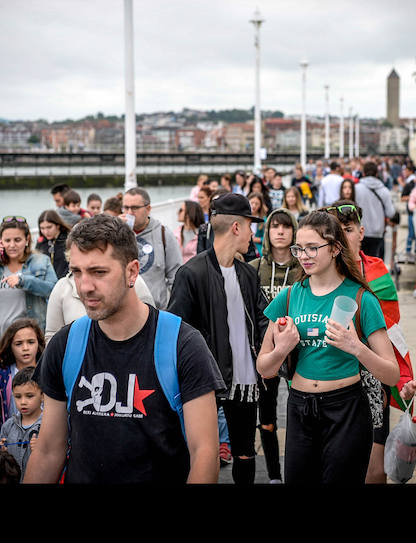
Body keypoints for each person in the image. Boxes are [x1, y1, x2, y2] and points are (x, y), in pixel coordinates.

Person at [24, 215, 225, 484]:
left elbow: (205, 453)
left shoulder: (182, 345)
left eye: (99, 272)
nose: (84, 286)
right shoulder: (66, 344)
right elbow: (49, 450)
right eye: (76, 271)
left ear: (132, 271)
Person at [256, 209, 399, 484]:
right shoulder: (288, 297)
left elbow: (391, 374)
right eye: (299, 248)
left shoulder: (362, 298)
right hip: (299, 408)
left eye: (313, 248)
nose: (304, 256)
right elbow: (264, 368)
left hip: (346, 409)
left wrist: (356, 347)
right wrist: (281, 349)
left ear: (334, 249)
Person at [167, 192, 270, 485]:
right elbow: (178, 330)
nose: (253, 233)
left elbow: (262, 320)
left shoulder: (248, 275)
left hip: (246, 381)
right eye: (251, 225)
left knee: (245, 455)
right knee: (205, 454)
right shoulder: (191, 273)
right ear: (236, 227)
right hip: (207, 382)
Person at [324, 200, 416, 484]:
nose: (343, 235)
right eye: (336, 230)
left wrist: (402, 381)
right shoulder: (318, 273)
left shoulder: (379, 274)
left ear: (361, 233)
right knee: (332, 462)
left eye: (349, 229)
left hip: (373, 380)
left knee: (375, 470)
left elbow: (393, 335)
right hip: (330, 378)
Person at [248, 208, 303, 484]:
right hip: (266, 351)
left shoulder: (304, 270)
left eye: (286, 227)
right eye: (274, 227)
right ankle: (273, 475)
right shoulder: (255, 268)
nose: (280, 231)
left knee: (298, 415)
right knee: (267, 418)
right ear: (267, 233)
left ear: (294, 232)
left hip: (299, 353)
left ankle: (297, 469)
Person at [0, 216, 58, 357]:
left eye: (17, 240)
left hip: (31, 342)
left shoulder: (41, 261)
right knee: (3, 380)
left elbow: (53, 290)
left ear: (27, 240)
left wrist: (23, 281)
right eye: (7, 240)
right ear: (0, 241)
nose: (12, 245)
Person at [45, 261, 154, 344]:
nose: (86, 287)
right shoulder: (62, 287)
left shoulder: (134, 281)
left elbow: (150, 325)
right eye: (77, 271)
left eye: (100, 272)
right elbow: (52, 335)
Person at [123, 187, 183, 310]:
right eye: (125, 207)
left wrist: (172, 309)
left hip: (156, 312)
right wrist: (116, 228)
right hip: (124, 311)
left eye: (134, 208)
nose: (129, 212)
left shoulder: (164, 234)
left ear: (148, 209)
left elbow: (175, 277)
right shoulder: (117, 235)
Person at [0, 317, 45, 447]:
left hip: (41, 437)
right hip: (10, 438)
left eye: (31, 342)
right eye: (19, 343)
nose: (25, 348)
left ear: (39, 344)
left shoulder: (48, 371)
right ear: (10, 346)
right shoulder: (1, 374)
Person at [0, 366, 43, 481]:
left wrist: (42, 450)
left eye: (29, 396)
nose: (23, 402)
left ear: (42, 395)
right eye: (18, 397)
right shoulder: (9, 425)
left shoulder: (47, 425)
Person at [355, 160, 396, 259]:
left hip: (360, 232)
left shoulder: (356, 189)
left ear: (363, 173)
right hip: (378, 233)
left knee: (360, 264)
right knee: (375, 265)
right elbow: (390, 213)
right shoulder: (384, 190)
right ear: (377, 174)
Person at [36, 209, 71, 279]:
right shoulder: (41, 242)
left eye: (49, 227)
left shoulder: (68, 240)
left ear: (57, 225)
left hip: (64, 282)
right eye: (42, 228)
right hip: (47, 283)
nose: (46, 232)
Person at [401, 166, 416, 256]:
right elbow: (402, 197)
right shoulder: (409, 185)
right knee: (411, 233)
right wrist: (412, 198)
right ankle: (408, 251)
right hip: (411, 214)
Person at [247, 191, 268, 258]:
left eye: (257, 204)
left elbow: (267, 237)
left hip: (258, 250)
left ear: (260, 205)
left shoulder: (263, 219)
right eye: (252, 203)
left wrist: (257, 239)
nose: (254, 206)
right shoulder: (243, 218)